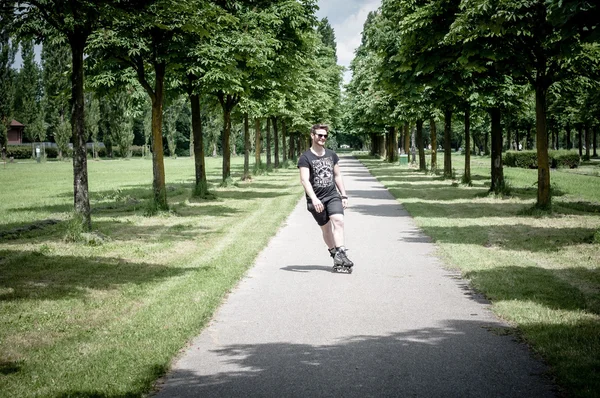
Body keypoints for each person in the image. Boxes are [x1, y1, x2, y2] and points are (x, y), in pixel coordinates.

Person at [298, 124, 353, 269]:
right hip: (315, 199)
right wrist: (314, 198)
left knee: (338, 220)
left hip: (332, 195)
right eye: (320, 135)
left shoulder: (331, 155)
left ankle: (342, 252)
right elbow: (304, 180)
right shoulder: (305, 158)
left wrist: (344, 195)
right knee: (326, 229)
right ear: (312, 136)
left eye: (325, 136)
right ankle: (335, 254)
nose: (323, 138)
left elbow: (337, 175)